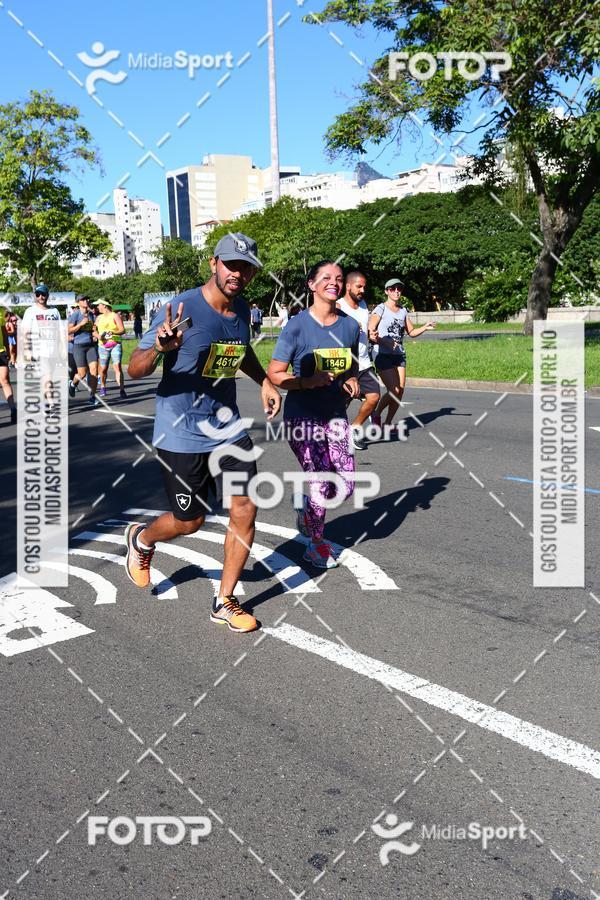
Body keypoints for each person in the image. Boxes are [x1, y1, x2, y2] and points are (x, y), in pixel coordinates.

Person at [126, 232, 281, 634]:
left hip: (227, 428)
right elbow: (135, 368)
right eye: (232, 265)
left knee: (245, 507)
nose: (239, 274)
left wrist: (264, 381)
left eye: (246, 268)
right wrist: (160, 348)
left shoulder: (242, 309)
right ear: (214, 263)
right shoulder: (180, 307)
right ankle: (142, 540)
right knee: (189, 522)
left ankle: (224, 600)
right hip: (181, 433)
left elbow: (240, 350)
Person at [267, 260, 360, 570]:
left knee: (346, 486)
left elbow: (351, 366)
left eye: (338, 278)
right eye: (326, 278)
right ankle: (316, 544)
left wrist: (351, 379)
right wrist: (307, 382)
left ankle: (306, 508)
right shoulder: (295, 326)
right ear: (311, 284)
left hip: (335, 413)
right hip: (302, 415)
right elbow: (276, 373)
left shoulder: (350, 326)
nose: (333, 282)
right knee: (320, 481)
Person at [369, 278, 435, 426]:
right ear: (387, 291)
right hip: (382, 354)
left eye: (399, 289)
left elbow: (411, 332)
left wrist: (425, 327)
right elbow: (371, 331)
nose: (397, 291)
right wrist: (384, 341)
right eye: (393, 289)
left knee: (400, 391)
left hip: (399, 355)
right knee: (394, 389)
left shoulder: (403, 310)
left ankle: (388, 422)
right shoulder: (381, 309)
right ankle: (376, 413)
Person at [336, 271, 380, 451]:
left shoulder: (363, 306)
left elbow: (366, 332)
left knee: (374, 397)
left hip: (363, 362)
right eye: (359, 286)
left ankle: (354, 428)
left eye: (364, 287)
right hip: (345, 364)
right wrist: (348, 328)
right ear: (348, 286)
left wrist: (371, 335)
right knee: (340, 404)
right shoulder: (338, 306)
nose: (362, 290)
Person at [21, 284, 63, 409]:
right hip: (39, 350)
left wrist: (62, 349)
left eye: (43, 294)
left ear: (47, 295)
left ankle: (47, 400)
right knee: (48, 376)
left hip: (53, 350)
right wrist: (27, 350)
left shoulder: (54, 311)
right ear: (35, 296)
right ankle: (51, 403)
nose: (40, 297)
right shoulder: (30, 311)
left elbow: (60, 331)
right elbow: (25, 332)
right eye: (38, 294)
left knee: (49, 377)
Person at [67, 295, 100, 407]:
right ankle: (73, 383)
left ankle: (92, 396)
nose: (87, 301)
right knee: (82, 373)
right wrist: (80, 324)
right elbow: (69, 330)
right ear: (78, 302)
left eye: (87, 299)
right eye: (84, 300)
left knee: (94, 371)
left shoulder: (91, 314)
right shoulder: (75, 315)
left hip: (91, 346)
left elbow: (92, 331)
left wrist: (98, 334)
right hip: (79, 347)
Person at [93, 299, 127, 399]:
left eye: (98, 305)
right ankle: (103, 387)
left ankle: (122, 390)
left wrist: (113, 333)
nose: (97, 307)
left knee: (117, 367)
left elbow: (122, 330)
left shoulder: (115, 315)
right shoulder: (98, 318)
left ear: (104, 305)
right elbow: (93, 330)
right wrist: (98, 336)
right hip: (103, 346)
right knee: (103, 369)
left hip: (115, 344)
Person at [0, 306, 16, 424]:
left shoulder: (1, 311)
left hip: (0, 352)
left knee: (5, 380)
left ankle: (13, 409)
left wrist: (8, 352)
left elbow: (4, 332)